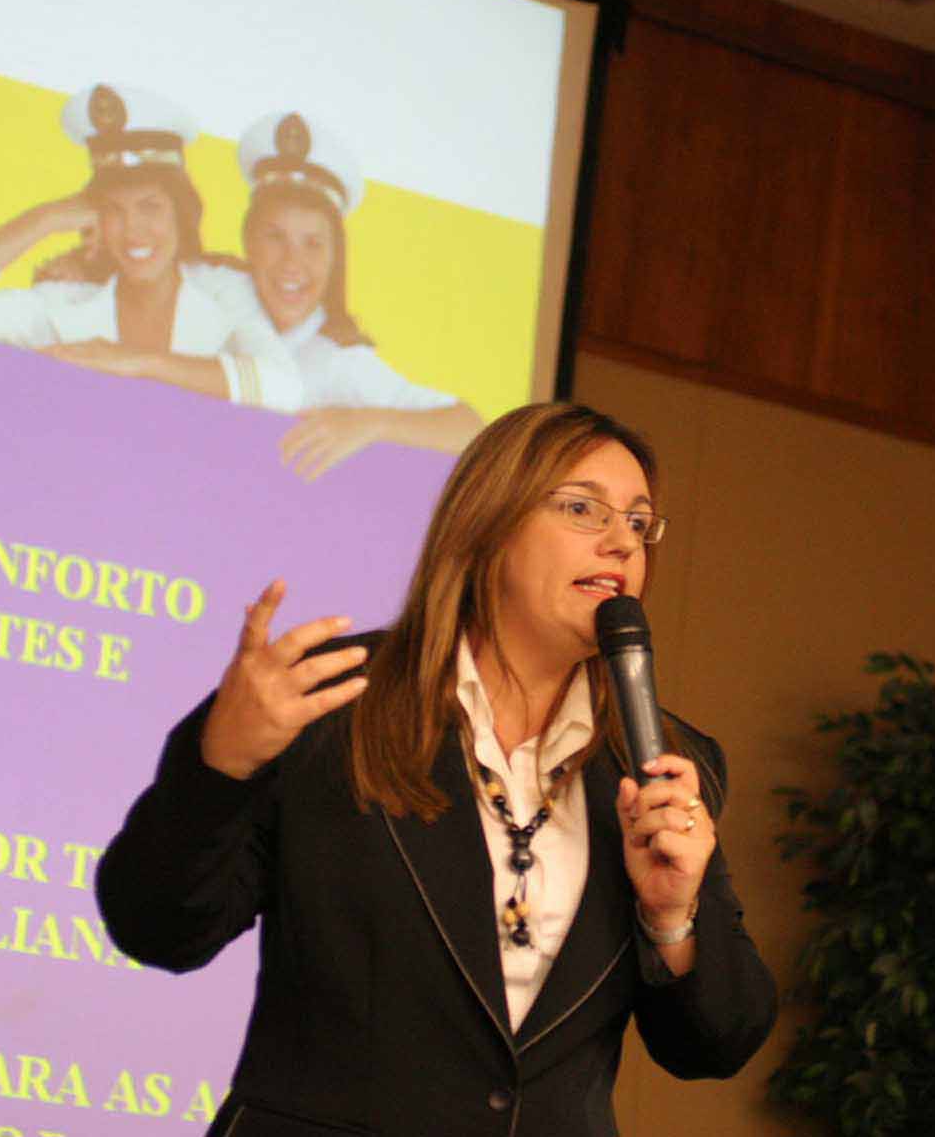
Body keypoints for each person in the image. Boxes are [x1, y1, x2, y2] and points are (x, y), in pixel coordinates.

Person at [96, 402, 777, 1136]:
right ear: (489, 523)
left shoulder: (667, 762)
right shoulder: (330, 705)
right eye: (583, 509)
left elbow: (717, 1042)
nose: (621, 542)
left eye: (639, 523)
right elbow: (158, 929)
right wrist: (219, 767)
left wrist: (673, 918)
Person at [0, 84, 301, 411]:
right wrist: (44, 219)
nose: (133, 231)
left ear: (181, 215)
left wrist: (135, 362)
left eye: (150, 207)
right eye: (114, 211)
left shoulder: (222, 289)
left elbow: (284, 389)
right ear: (94, 220)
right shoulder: (66, 301)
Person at [236, 111, 484, 479]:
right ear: (248, 242)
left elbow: (471, 430)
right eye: (275, 237)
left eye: (313, 244)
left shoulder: (340, 362)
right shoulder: (220, 318)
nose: (292, 263)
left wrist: (369, 423)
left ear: (335, 258)